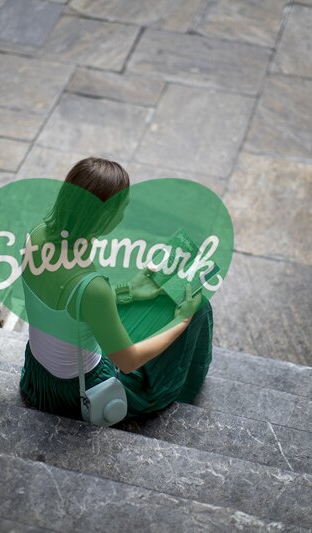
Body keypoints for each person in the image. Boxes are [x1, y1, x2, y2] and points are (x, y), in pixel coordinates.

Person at [18, 157, 214, 422]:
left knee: (152, 300)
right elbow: (127, 361)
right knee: (199, 307)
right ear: (106, 214)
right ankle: (183, 393)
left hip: (38, 376)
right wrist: (182, 320)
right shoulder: (93, 289)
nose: (123, 215)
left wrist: (128, 290)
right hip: (82, 392)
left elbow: (68, 309)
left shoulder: (36, 235)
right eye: (122, 207)